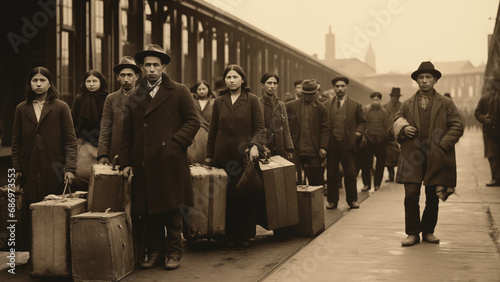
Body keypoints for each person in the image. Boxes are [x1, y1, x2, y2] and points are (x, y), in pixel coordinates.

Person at [120, 44, 200, 270]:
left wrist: (175, 144)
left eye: (156, 65)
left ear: (164, 67)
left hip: (170, 161)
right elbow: (128, 132)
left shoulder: (179, 90)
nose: (152, 69)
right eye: (147, 65)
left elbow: (193, 121)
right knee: (148, 211)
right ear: (142, 68)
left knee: (172, 210)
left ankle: (174, 253)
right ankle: (155, 251)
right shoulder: (135, 95)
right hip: (144, 163)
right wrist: (126, 162)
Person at [394, 61, 464, 246]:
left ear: (435, 80)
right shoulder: (407, 103)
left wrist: (444, 144)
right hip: (412, 157)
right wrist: (403, 130)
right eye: (421, 78)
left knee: (432, 197)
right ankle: (412, 233)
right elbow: (396, 121)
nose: (424, 81)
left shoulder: (446, 103)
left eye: (428, 77)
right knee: (411, 195)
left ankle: (428, 232)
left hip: (436, 156)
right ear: (416, 81)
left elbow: (457, 125)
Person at [206, 64, 265, 247]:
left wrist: (255, 145)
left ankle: (244, 234)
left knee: (244, 193)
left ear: (243, 80)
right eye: (228, 77)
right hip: (222, 155)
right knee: (226, 195)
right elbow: (213, 130)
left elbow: (259, 128)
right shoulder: (219, 101)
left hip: (245, 156)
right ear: (225, 80)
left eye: (235, 77)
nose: (231, 80)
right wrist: (209, 155)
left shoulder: (252, 100)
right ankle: (228, 234)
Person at [12, 66, 77, 229]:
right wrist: (17, 168)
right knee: (31, 211)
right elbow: (16, 142)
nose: (39, 84)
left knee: (53, 211)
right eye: (35, 80)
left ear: (50, 84)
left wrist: (70, 168)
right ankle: (34, 251)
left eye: (43, 80)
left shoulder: (61, 107)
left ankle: (54, 251)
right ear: (30, 84)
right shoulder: (21, 109)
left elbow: (70, 140)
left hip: (55, 168)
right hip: (29, 169)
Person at [324, 76, 366, 209]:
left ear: (347, 87)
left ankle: (352, 200)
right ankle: (332, 201)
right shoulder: (326, 104)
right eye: (337, 86)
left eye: (342, 86)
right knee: (331, 174)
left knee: (350, 174)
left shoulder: (356, 105)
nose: (340, 89)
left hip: (348, 144)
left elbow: (362, 122)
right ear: (334, 88)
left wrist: (358, 133)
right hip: (331, 145)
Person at [97, 56, 141, 165]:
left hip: (138, 154)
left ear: (137, 76)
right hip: (116, 154)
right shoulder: (111, 99)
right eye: (122, 75)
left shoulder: (145, 98)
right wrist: (102, 154)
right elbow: (105, 128)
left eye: (129, 75)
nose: (126, 79)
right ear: (117, 77)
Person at [286, 79, 330, 186]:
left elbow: (325, 129)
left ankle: (314, 202)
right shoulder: (290, 106)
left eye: (311, 94)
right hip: (295, 149)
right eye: (305, 94)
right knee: (295, 180)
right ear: (302, 93)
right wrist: (287, 147)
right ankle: (298, 202)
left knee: (315, 182)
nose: (307, 97)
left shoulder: (321, 109)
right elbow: (284, 127)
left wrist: (323, 147)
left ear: (315, 93)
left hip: (313, 150)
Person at [360, 92, 391, 192]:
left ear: (380, 101)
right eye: (373, 100)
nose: (375, 102)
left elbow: (387, 125)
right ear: (371, 100)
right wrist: (364, 135)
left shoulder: (385, 112)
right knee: (366, 163)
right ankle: (366, 184)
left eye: (377, 100)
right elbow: (363, 123)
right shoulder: (366, 110)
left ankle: (377, 184)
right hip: (368, 140)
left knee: (380, 163)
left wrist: (385, 136)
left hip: (381, 140)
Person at [258, 72, 294, 159]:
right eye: (269, 83)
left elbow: (285, 128)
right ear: (262, 85)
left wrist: (289, 148)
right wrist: (261, 146)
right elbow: (256, 128)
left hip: (279, 147)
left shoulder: (281, 105)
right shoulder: (257, 103)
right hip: (263, 147)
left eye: (275, 83)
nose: (272, 86)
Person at [71, 70, 109, 147]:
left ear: (100, 82)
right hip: (82, 140)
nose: (91, 84)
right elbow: (72, 120)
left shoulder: (107, 98)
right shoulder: (79, 98)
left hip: (104, 140)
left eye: (94, 81)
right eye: (88, 81)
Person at [475, 76, 500, 187]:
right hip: (492, 132)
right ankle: (496, 178)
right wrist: (485, 119)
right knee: (493, 156)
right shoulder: (485, 98)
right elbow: (477, 113)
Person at [383, 87, 402, 183]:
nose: (395, 98)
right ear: (391, 97)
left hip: (400, 136)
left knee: (402, 158)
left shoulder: (403, 106)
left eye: (396, 96)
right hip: (388, 136)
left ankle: (401, 176)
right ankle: (391, 177)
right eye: (393, 96)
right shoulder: (385, 106)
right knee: (389, 159)